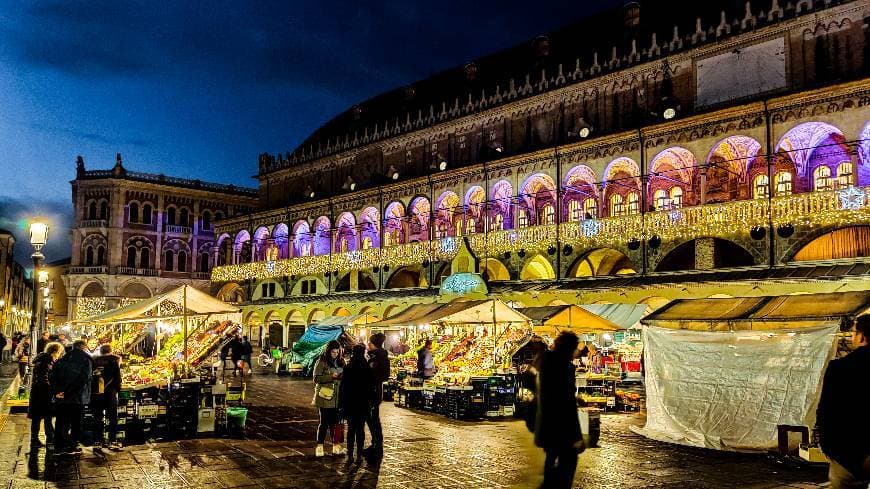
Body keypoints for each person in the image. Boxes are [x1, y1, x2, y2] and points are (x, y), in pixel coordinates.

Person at [817, 315, 870, 489]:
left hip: (848, 452)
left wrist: (828, 447)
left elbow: (826, 411)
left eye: (854, 332)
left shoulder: (840, 368)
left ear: (861, 336)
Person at [535, 331, 583, 489]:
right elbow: (566, 402)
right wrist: (576, 435)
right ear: (570, 348)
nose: (578, 351)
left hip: (547, 425)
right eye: (576, 348)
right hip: (562, 428)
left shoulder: (546, 361)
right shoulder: (565, 367)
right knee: (567, 466)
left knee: (551, 462)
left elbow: (552, 394)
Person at [51, 339, 93, 454]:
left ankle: (59, 445)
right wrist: (68, 392)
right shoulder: (86, 360)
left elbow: (53, 376)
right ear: (83, 347)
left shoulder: (63, 358)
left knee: (61, 421)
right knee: (76, 422)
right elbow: (83, 380)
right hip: (76, 397)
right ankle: (72, 445)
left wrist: (58, 391)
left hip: (62, 396)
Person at [340, 344, 375, 462]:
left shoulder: (348, 367)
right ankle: (359, 454)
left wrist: (341, 403)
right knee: (360, 429)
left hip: (350, 402)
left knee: (351, 429)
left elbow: (343, 387)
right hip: (363, 403)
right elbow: (371, 387)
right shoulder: (367, 368)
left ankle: (350, 454)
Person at [28, 341, 64, 447]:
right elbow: (44, 380)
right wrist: (53, 393)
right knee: (46, 417)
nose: (58, 356)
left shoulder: (42, 360)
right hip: (43, 394)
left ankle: (37, 439)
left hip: (37, 394)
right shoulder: (46, 362)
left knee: (37, 417)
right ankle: (48, 439)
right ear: (54, 352)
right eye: (58, 353)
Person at [313, 340, 344, 457]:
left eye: (337, 352)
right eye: (333, 352)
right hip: (325, 397)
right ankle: (320, 446)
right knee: (324, 423)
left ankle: (336, 446)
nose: (335, 354)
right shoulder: (322, 362)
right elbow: (316, 378)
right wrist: (331, 377)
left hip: (337, 397)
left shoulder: (341, 362)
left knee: (336, 424)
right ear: (328, 351)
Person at [92, 344, 122, 449]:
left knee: (97, 417)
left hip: (97, 393)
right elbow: (117, 378)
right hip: (110, 392)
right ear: (110, 350)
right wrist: (117, 390)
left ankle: (97, 441)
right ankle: (112, 441)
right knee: (112, 417)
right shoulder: (115, 360)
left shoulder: (94, 361)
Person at [365, 332, 390, 457]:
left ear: (373, 344)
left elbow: (377, 375)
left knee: (373, 419)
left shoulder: (378, 358)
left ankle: (377, 446)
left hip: (373, 392)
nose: (368, 344)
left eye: (369, 342)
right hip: (375, 391)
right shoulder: (378, 356)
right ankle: (375, 444)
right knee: (373, 419)